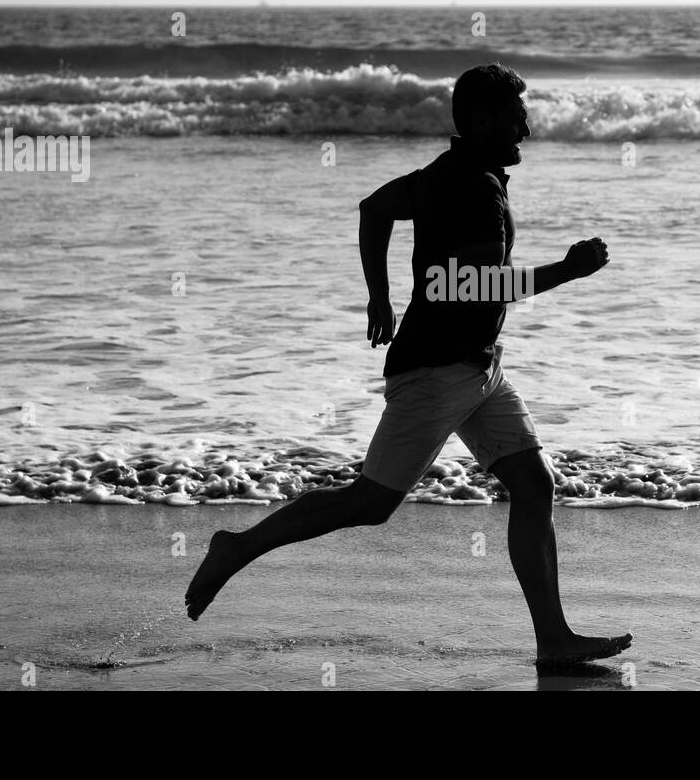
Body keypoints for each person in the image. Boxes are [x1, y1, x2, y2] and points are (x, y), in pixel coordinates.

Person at [186, 64, 631, 666]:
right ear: (480, 121)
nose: (525, 126)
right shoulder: (471, 185)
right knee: (368, 505)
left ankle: (553, 639)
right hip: (436, 372)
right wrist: (567, 270)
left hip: (478, 371)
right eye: (513, 115)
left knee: (534, 484)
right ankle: (236, 547)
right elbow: (478, 286)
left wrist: (380, 295)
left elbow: (374, 208)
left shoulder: (446, 175)